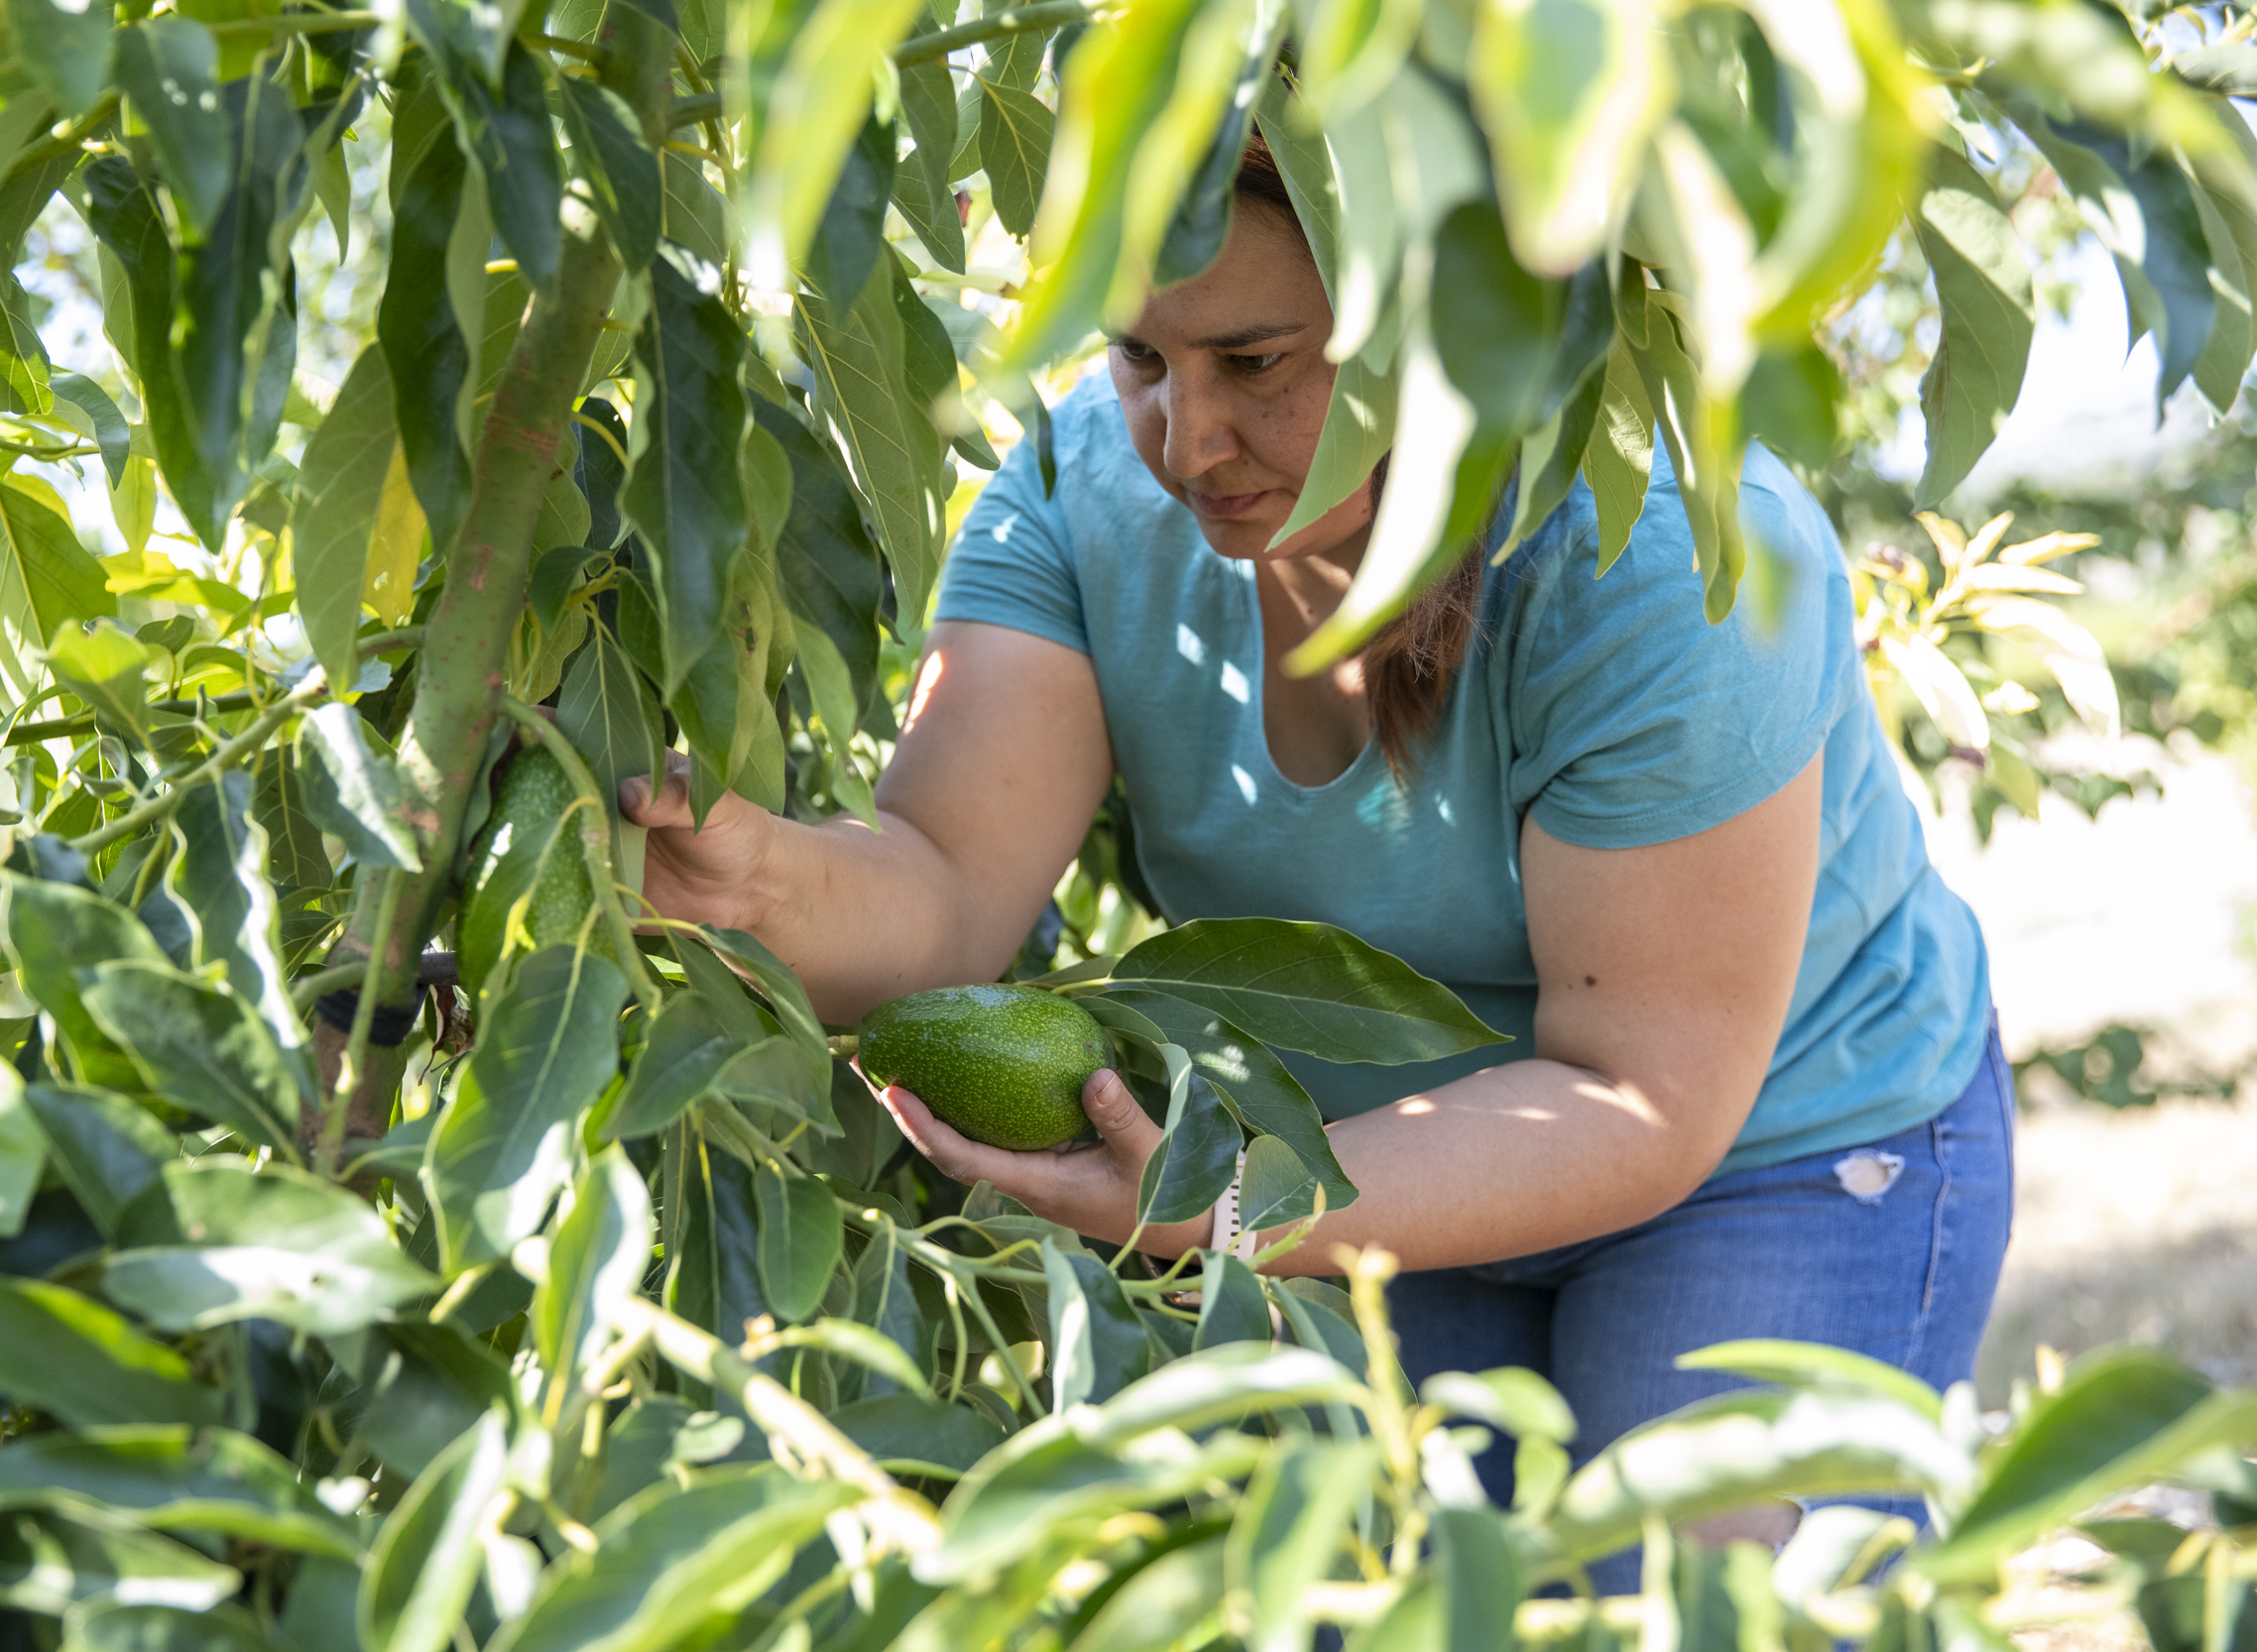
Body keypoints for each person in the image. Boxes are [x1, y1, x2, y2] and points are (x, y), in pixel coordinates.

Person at [618, 142, 2012, 1583]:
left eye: (1260, 361)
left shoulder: (1645, 551)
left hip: (1784, 1145)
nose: (1187, 439)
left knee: (1652, 1600)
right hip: (1375, 1154)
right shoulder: (1085, 490)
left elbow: (1643, 1089)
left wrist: (1233, 1207)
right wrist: (754, 886)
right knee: (1357, 1597)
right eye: (1139, 357)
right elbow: (946, 879)